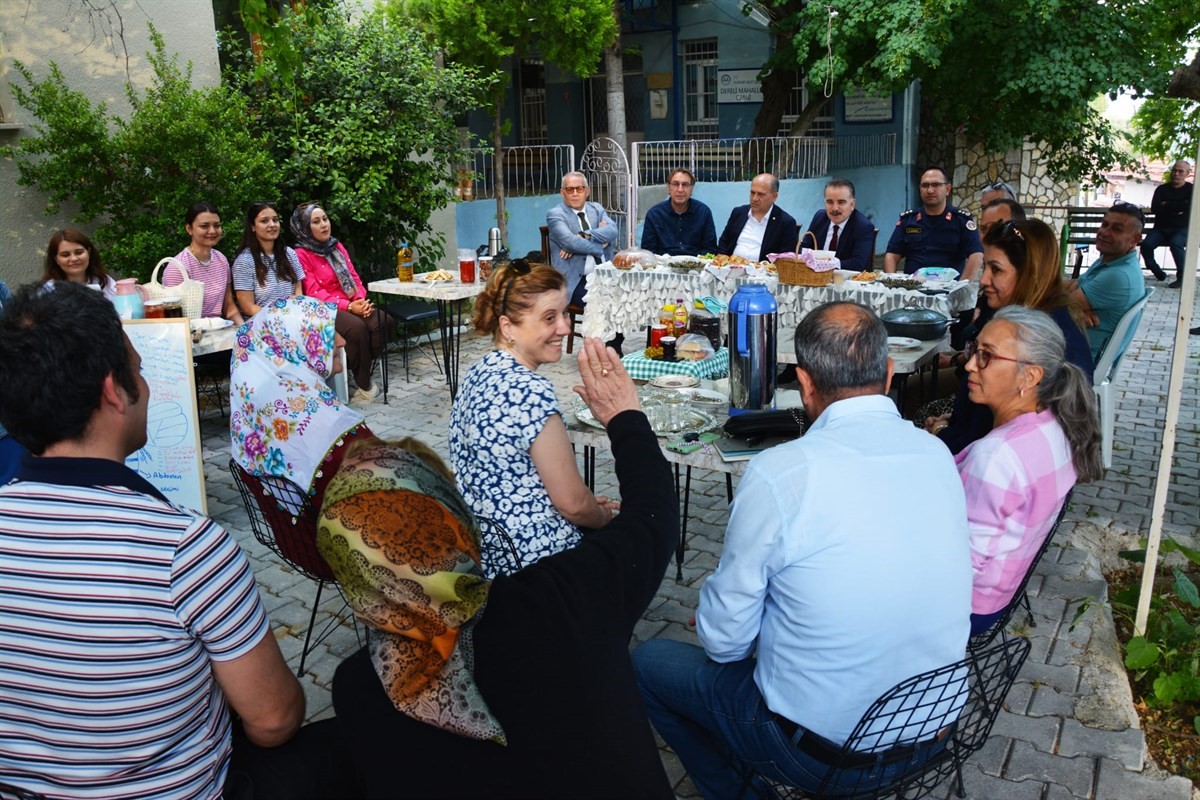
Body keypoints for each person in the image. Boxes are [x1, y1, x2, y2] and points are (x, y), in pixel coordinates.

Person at [633, 302, 971, 799]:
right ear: (891, 371)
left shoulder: (781, 472)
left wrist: (739, 619)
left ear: (805, 383)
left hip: (827, 756)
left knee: (649, 664)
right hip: (933, 731)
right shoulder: (935, 453)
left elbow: (723, 644)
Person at [324, 339, 677, 799]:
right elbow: (654, 514)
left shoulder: (359, 687)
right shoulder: (561, 597)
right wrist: (625, 416)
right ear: (456, 527)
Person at [0, 282, 306, 799]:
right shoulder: (185, 549)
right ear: (113, 391)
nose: (144, 383)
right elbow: (274, 720)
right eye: (138, 370)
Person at [449, 259, 616, 575]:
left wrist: (590, 506)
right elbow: (572, 504)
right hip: (532, 560)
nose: (565, 328)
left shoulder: (478, 372)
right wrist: (602, 516)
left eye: (564, 313)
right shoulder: (530, 390)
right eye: (549, 318)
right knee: (636, 536)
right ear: (508, 327)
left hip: (484, 548)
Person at [957, 306, 1103, 635]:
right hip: (1002, 593)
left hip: (967, 609)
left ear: (1030, 376)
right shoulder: (1056, 426)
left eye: (986, 356)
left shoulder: (996, 456)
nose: (969, 364)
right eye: (974, 350)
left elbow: (959, 568)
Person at [929, 219, 1093, 454]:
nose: (984, 280)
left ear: (1029, 274)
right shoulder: (1045, 315)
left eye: (996, 270)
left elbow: (983, 440)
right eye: (985, 267)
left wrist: (940, 432)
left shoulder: (1029, 338)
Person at [230, 296, 375, 509]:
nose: (342, 341)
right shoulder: (325, 425)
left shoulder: (252, 419)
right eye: (327, 333)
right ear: (295, 343)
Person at [292, 202, 390, 403]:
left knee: (383, 321)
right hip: (323, 309)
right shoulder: (301, 254)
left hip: (351, 302)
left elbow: (353, 276)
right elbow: (313, 291)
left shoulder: (336, 247)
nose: (323, 225)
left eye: (325, 219)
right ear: (305, 228)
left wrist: (360, 300)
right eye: (316, 222)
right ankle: (364, 385)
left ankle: (357, 366)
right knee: (356, 329)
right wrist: (348, 306)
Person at [1065, 202, 1147, 361]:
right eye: (1104, 224)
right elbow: (1071, 288)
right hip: (1073, 346)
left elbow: (1058, 305)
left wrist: (1071, 306)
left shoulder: (1118, 275)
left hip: (1078, 361)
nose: (1104, 232)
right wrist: (1077, 309)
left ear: (1135, 239)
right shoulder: (1110, 260)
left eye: (1116, 229)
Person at [884, 167, 983, 279]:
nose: (930, 190)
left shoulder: (961, 220)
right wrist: (891, 283)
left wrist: (961, 288)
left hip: (948, 291)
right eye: (925, 186)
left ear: (947, 189)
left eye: (936, 185)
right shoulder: (908, 220)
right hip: (913, 291)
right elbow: (891, 255)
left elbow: (976, 255)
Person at [163, 201, 245, 325]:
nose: (212, 231)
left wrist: (244, 331)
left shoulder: (221, 260)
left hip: (219, 331)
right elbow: (173, 318)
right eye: (204, 226)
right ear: (189, 229)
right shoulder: (177, 267)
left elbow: (229, 307)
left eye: (217, 225)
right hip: (191, 335)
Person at [547, 171, 620, 308]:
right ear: (562, 193)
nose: (575, 193)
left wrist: (585, 235)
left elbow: (612, 230)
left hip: (606, 275)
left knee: (629, 299)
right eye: (570, 189)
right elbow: (570, 242)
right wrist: (601, 245)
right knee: (605, 305)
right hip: (576, 281)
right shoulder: (555, 215)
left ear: (587, 191)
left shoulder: (597, 209)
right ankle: (602, 330)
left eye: (579, 189)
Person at [233, 201, 305, 317]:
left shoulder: (289, 254)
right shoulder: (244, 261)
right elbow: (248, 307)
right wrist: (279, 316)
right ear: (253, 227)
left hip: (293, 317)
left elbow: (298, 291)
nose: (272, 224)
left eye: (275, 220)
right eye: (264, 221)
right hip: (262, 322)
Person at [716, 173, 799, 262]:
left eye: (761, 194)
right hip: (731, 269)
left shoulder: (785, 222)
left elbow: (786, 258)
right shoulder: (739, 213)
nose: (755, 198)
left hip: (764, 273)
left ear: (774, 196)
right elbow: (724, 242)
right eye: (752, 193)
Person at [639, 167, 717, 256]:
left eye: (685, 185)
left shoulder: (703, 212)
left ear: (692, 189)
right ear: (668, 188)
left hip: (696, 265)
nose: (680, 190)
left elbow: (710, 248)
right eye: (675, 184)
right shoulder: (654, 214)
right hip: (663, 267)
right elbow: (648, 251)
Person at [802, 178, 875, 271]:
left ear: (852, 204)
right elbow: (804, 247)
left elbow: (857, 263)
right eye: (830, 202)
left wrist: (825, 265)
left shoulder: (863, 226)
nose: (835, 208)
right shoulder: (820, 217)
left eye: (841, 202)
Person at [1141, 160, 1193, 287]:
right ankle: (1157, 271)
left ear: (1187, 174)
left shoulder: (1192, 190)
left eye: (1180, 171)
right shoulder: (1162, 189)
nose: (1176, 174)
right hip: (1161, 228)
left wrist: (1167, 204)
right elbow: (1155, 208)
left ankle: (1181, 278)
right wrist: (1179, 207)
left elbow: (1190, 208)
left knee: (1176, 244)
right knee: (1146, 245)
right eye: (1174, 170)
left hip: (1182, 228)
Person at [41, 228, 117, 299]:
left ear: (89, 253)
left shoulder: (104, 281)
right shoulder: (48, 290)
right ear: (56, 259)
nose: (74, 259)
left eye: (79, 252)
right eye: (65, 255)